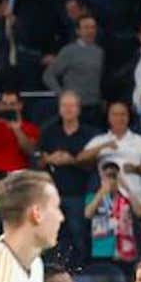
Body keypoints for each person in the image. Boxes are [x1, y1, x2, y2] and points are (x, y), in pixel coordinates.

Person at [40, 91, 95, 267]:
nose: (68, 109)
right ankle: (52, 272)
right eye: (64, 105)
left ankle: (82, 271)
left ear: (78, 109)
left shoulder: (89, 134)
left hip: (79, 192)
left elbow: (94, 163)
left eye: (72, 105)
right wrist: (50, 159)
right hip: (53, 193)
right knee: (51, 236)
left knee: (79, 234)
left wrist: (72, 160)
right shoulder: (49, 131)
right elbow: (37, 158)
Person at [43, 15, 104, 112]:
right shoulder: (68, 51)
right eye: (86, 27)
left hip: (94, 106)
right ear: (78, 31)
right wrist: (62, 95)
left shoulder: (99, 52)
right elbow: (48, 75)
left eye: (93, 27)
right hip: (74, 107)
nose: (90, 31)